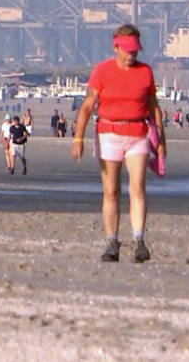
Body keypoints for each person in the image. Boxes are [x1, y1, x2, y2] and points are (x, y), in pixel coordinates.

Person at [71, 24, 166, 263]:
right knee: (111, 191)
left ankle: (139, 240)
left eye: (135, 50)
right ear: (116, 47)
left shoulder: (145, 72)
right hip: (109, 133)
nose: (132, 54)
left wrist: (161, 142)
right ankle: (112, 242)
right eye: (127, 50)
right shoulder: (102, 71)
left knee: (138, 189)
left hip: (138, 134)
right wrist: (78, 138)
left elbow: (154, 107)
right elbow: (87, 105)